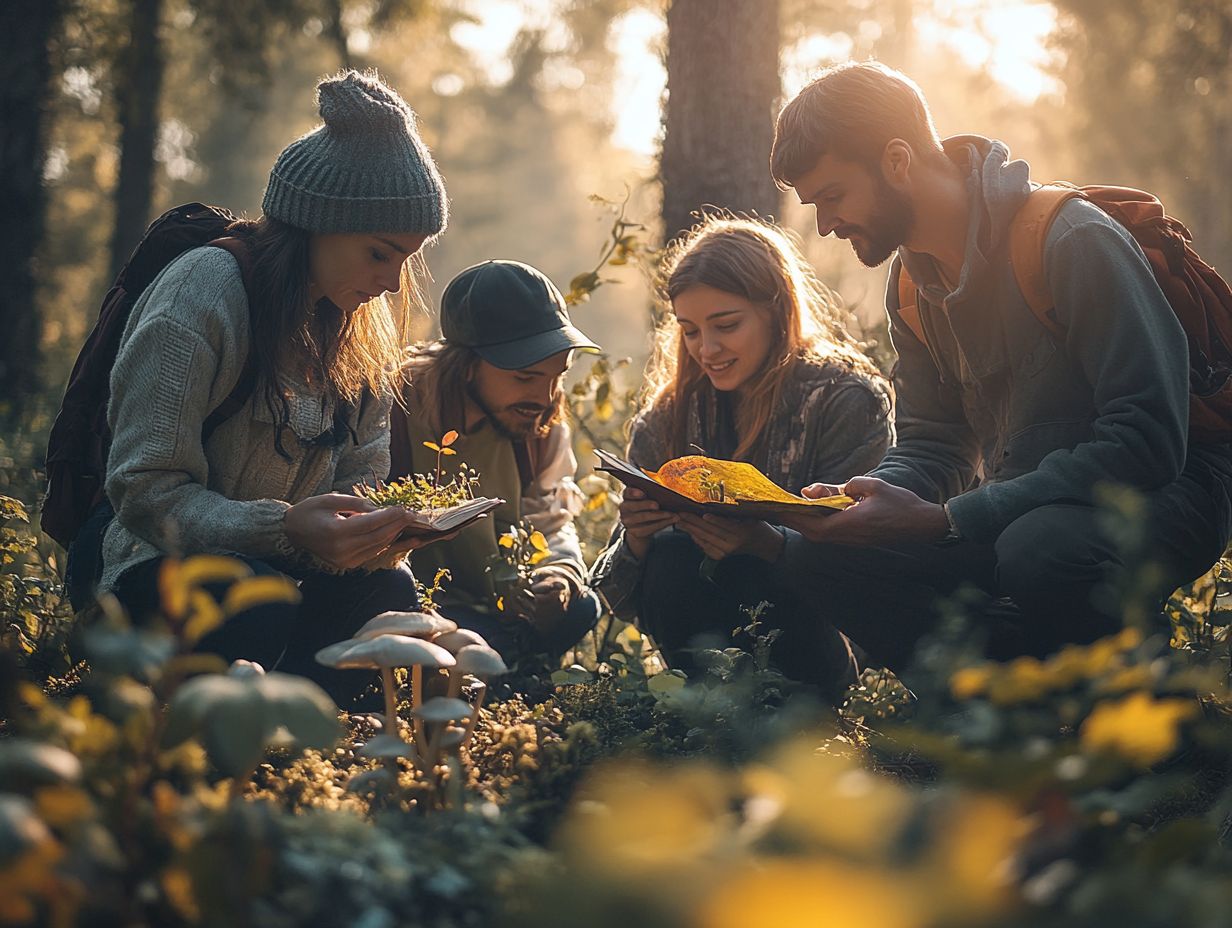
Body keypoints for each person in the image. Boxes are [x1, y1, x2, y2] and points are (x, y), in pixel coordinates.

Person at [765, 61, 1232, 671]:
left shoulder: (1070, 241)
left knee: (1038, 548)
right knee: (815, 555)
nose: (825, 225)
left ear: (898, 160)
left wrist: (951, 519)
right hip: (1021, 509)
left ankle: (1137, 700)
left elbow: (1146, 442)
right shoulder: (909, 283)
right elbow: (934, 443)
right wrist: (867, 504)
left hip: (1167, 493)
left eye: (833, 196)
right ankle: (990, 708)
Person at [84, 70, 452, 704]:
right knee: (257, 605)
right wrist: (285, 529)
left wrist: (367, 532)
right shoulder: (201, 297)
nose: (393, 284)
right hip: (155, 573)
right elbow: (144, 492)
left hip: (292, 571)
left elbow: (360, 475)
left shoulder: (362, 329)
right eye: (379, 253)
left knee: (391, 600)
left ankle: (301, 725)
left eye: (405, 260)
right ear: (319, 222)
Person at [591, 215, 893, 695]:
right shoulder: (667, 417)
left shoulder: (845, 400)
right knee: (672, 555)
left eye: (726, 326)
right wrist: (638, 536)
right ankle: (703, 717)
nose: (706, 350)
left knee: (746, 568)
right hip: (697, 655)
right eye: (689, 331)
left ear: (776, 311)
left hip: (814, 648)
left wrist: (767, 545)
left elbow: (867, 566)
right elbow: (617, 596)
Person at [390, 259, 604, 662]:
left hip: (504, 605)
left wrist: (557, 576)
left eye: (556, 376)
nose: (544, 397)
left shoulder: (539, 422)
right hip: (418, 603)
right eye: (525, 377)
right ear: (468, 366)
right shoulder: (394, 409)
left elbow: (550, 521)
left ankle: (503, 664)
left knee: (580, 606)